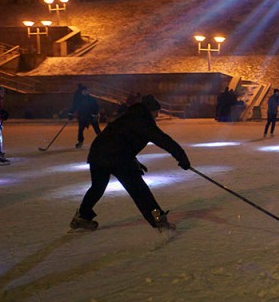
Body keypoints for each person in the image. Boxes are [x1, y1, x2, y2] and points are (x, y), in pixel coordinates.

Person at [70, 94, 192, 232]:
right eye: (156, 112)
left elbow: (121, 140)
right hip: (117, 157)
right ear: (150, 110)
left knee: (97, 187)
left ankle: (82, 216)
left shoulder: (130, 116)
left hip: (98, 153)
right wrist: (182, 158)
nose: (157, 115)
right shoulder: (143, 121)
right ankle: (158, 220)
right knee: (139, 190)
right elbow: (163, 140)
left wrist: (134, 161)